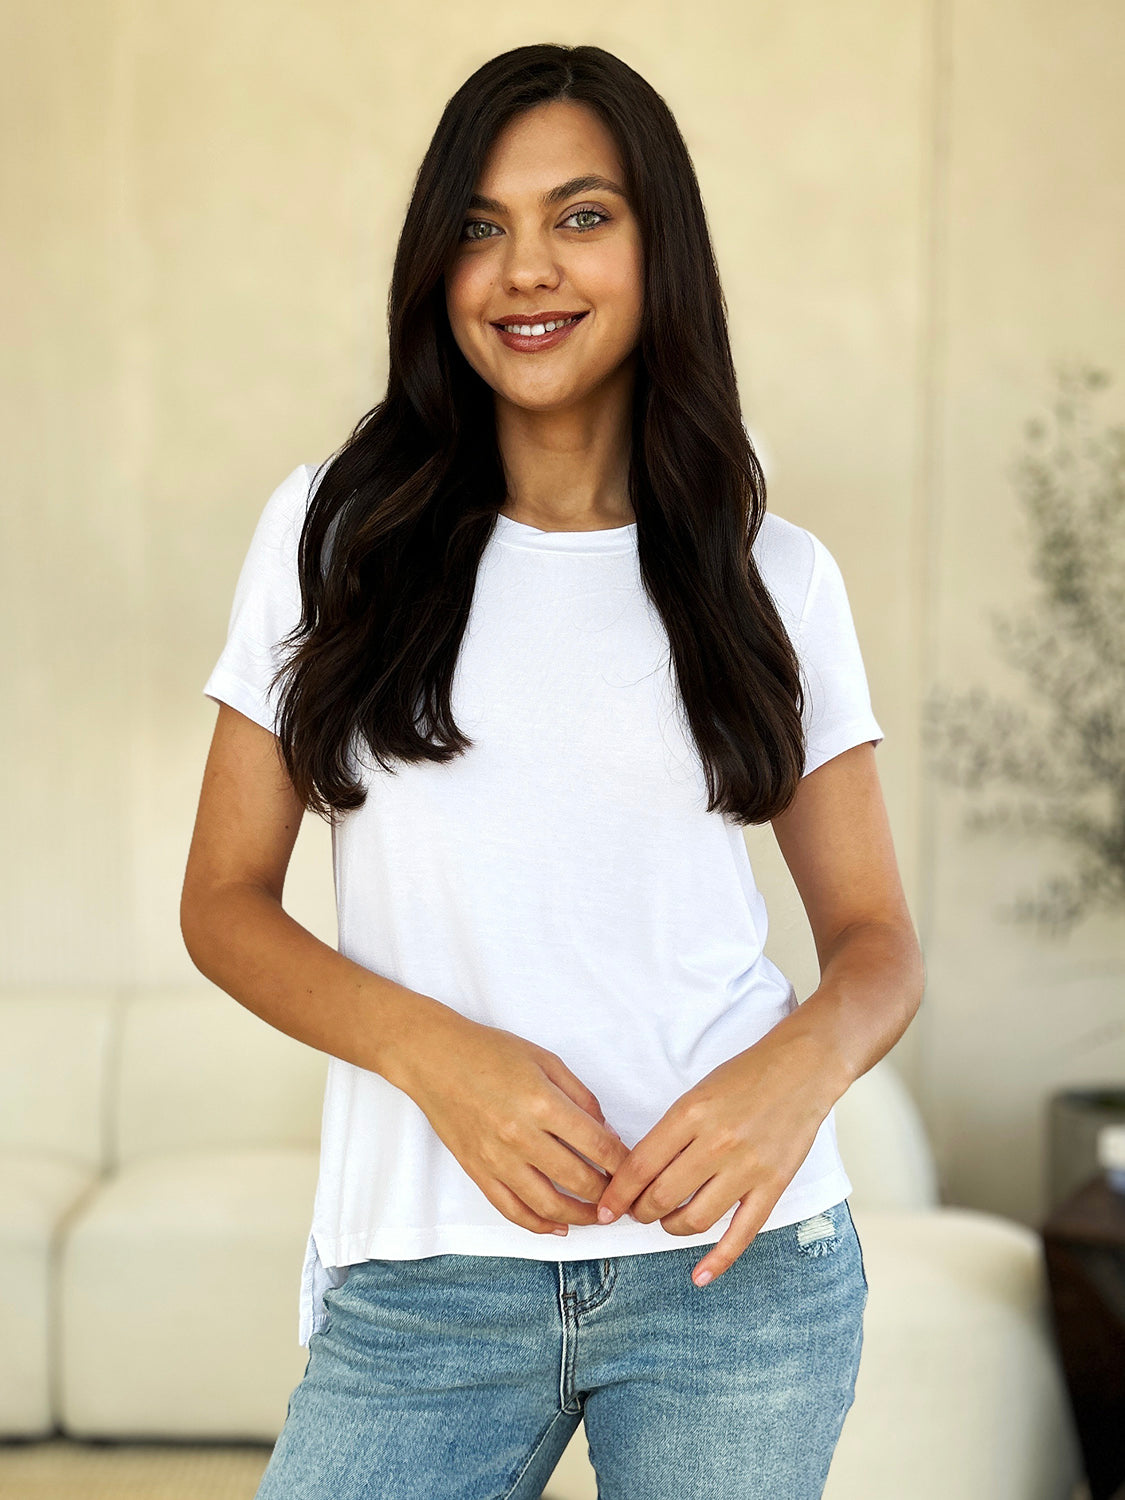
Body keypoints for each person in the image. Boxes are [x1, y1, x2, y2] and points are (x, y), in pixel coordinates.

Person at [182, 41, 923, 1500]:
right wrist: (431, 1055)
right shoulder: (331, 536)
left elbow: (877, 944)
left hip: (734, 1282)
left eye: (580, 216)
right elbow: (222, 902)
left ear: (659, 248)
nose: (524, 268)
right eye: (479, 225)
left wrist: (796, 1076)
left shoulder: (768, 573)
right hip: (426, 1285)